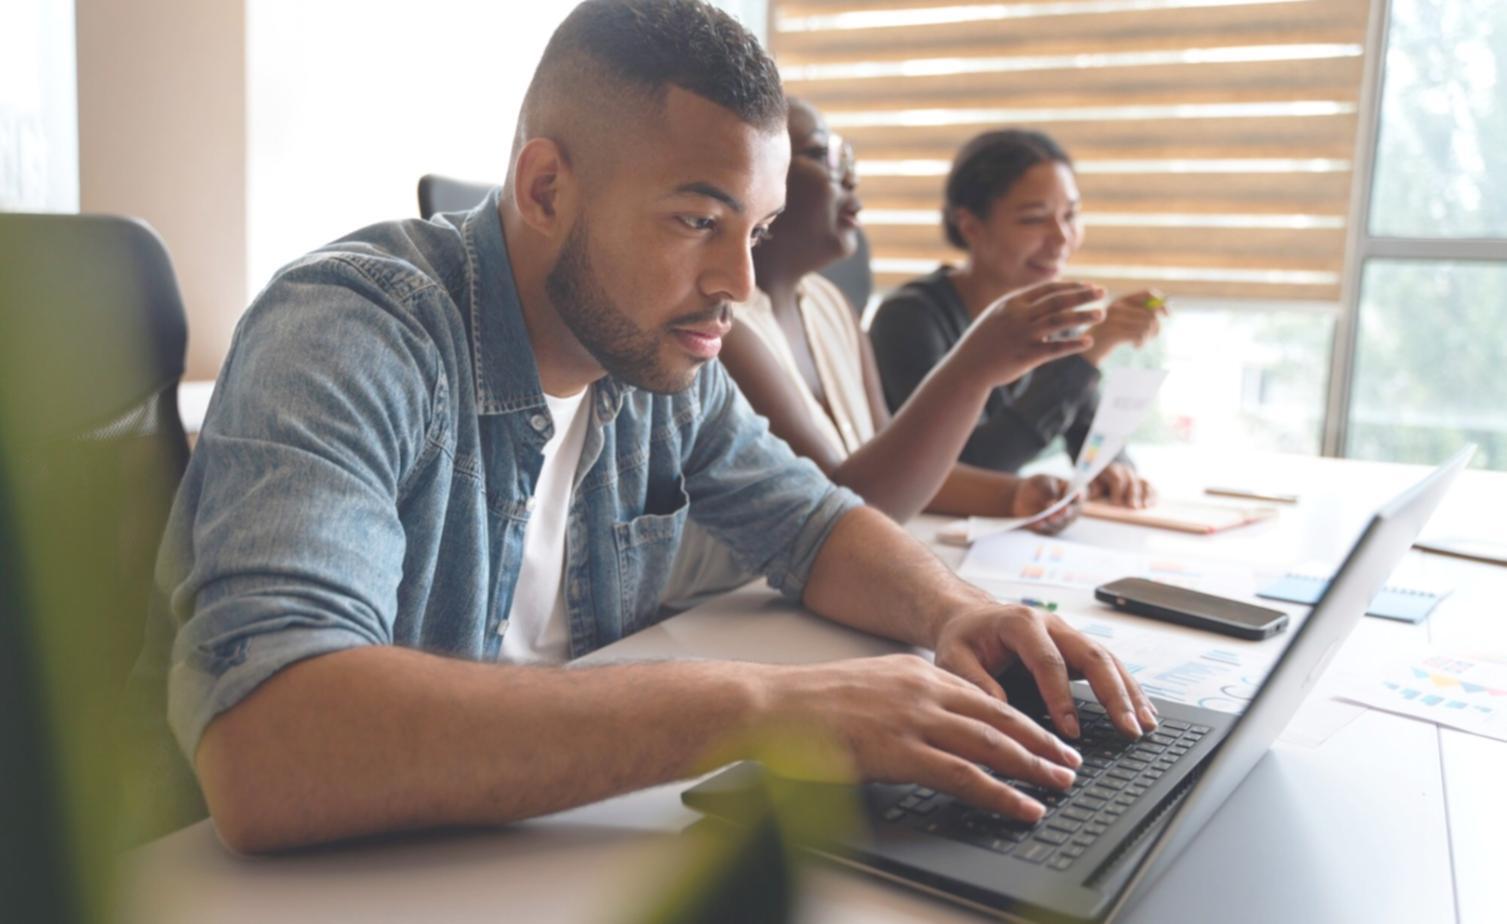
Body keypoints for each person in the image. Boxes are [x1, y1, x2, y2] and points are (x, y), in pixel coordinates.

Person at [132, 0, 1156, 854]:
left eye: (753, 232)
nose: (738, 285)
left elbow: (812, 523)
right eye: (696, 221)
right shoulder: (352, 333)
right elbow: (269, 745)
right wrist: (767, 709)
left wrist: (950, 611)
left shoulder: (656, 365)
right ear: (545, 188)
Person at [715, 98, 1106, 531]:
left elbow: (895, 462)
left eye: (848, 156)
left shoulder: (833, 307)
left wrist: (1015, 495)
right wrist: (975, 365)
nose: (850, 175)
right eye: (822, 154)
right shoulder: (727, 329)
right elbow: (838, 509)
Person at [869, 129, 1165, 508]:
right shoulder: (910, 319)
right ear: (970, 226)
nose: (1062, 238)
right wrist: (1086, 357)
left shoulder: (1051, 318)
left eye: (1071, 215)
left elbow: (1089, 441)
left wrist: (1113, 472)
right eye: (1034, 219)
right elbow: (967, 468)